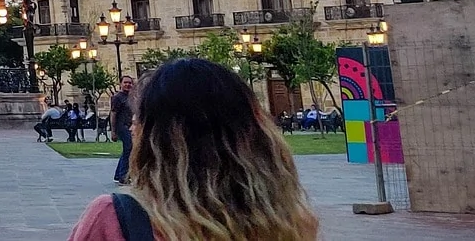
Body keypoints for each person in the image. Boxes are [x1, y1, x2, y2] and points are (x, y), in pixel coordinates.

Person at [66, 58, 319, 241]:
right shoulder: (287, 221)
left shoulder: (117, 219)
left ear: (155, 137)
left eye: (138, 119)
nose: (132, 128)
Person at [109, 76, 136, 184]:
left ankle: (119, 174)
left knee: (127, 150)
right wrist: (113, 131)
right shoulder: (118, 97)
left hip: (129, 126)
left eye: (130, 83)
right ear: (121, 84)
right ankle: (123, 176)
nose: (128, 85)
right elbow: (113, 113)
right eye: (125, 82)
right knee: (129, 149)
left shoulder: (130, 97)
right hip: (122, 126)